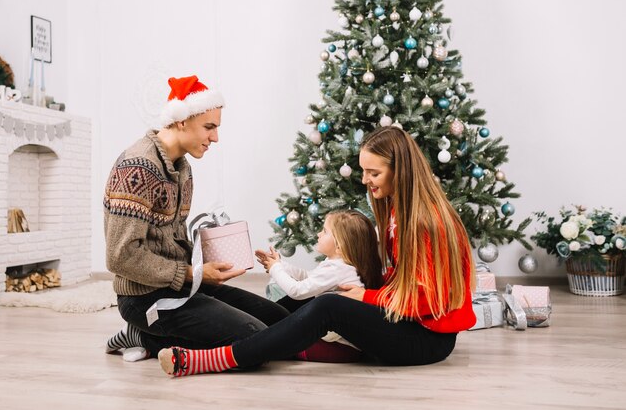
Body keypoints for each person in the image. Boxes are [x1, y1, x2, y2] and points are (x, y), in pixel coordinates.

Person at [157, 126, 477, 376]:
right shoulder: (398, 212)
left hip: (426, 339)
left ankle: (217, 360)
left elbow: (428, 301)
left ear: (401, 172)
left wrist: (364, 297)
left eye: (374, 173)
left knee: (327, 306)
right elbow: (395, 279)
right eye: (364, 171)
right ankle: (187, 339)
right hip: (402, 319)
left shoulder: (426, 223)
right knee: (306, 298)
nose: (365, 180)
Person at [104, 75, 289, 362]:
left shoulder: (182, 167)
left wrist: (208, 263)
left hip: (179, 285)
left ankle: (154, 335)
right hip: (144, 299)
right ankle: (144, 336)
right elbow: (120, 257)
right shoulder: (138, 168)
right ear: (181, 121)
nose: (215, 137)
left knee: (279, 321)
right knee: (258, 339)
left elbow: (172, 237)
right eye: (209, 127)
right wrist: (193, 274)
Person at [257, 209, 383, 362]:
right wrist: (280, 264)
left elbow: (297, 291)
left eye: (324, 231)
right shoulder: (340, 264)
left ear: (339, 246)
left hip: (339, 348)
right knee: (281, 333)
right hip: (340, 344)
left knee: (281, 343)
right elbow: (309, 278)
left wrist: (275, 269)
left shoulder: (337, 269)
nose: (318, 234)